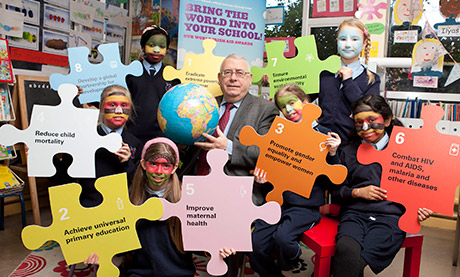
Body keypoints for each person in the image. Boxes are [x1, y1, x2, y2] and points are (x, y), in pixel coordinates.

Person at [84, 137, 235, 276]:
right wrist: (102, 254)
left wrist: (218, 249)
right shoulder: (127, 198)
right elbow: (122, 247)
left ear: (174, 168)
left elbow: (199, 243)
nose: (159, 171)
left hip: (178, 273)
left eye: (166, 166)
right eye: (153, 164)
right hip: (139, 273)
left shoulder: (187, 199)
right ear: (143, 164)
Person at [194, 54, 279, 277]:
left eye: (239, 73)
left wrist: (228, 147)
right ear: (219, 78)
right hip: (198, 180)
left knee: (227, 237)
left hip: (237, 187)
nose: (233, 78)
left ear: (250, 79)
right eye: (228, 73)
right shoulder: (205, 103)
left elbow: (265, 154)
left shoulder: (265, 109)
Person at [331, 94, 432, 277]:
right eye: (359, 122)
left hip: (391, 218)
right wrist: (357, 192)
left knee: (355, 260)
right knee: (346, 250)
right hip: (354, 215)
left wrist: (421, 208)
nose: (365, 127)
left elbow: (422, 188)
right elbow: (336, 192)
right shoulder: (347, 152)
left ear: (386, 120)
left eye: (372, 120)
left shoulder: (408, 150)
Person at [248, 83, 341, 277]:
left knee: (284, 240)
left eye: (292, 103)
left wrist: (332, 153)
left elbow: (333, 182)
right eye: (283, 107)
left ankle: (291, 261)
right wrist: (262, 178)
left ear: (306, 102)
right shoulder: (278, 133)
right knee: (255, 243)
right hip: (277, 201)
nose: (288, 110)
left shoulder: (324, 135)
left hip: (305, 206)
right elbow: (269, 167)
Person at [313, 18, 381, 144]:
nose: (348, 44)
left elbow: (367, 112)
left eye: (355, 39)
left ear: (364, 43)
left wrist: (348, 81)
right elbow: (300, 98)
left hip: (351, 148)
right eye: (343, 39)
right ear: (337, 42)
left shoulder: (372, 80)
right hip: (320, 143)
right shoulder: (324, 74)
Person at [78, 85, 143, 208]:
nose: (118, 111)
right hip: (89, 208)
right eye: (112, 105)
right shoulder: (85, 138)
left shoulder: (135, 143)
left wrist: (127, 163)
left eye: (124, 106)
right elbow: (65, 176)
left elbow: (137, 184)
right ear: (102, 108)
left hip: (121, 209)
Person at [126, 25, 180, 145]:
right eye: (151, 45)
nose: (156, 50)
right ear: (143, 46)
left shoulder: (173, 77)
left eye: (162, 46)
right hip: (132, 136)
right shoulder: (129, 73)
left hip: (162, 139)